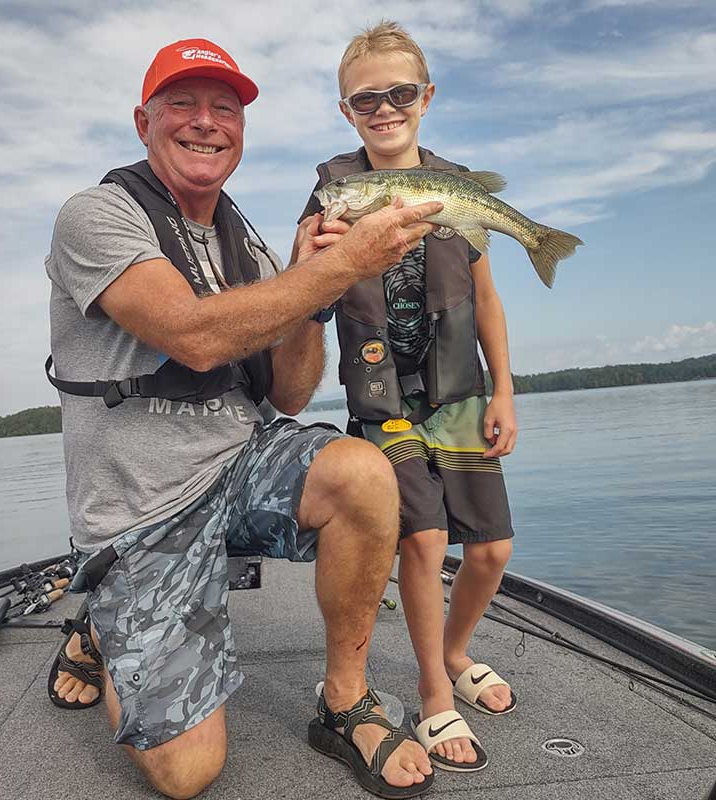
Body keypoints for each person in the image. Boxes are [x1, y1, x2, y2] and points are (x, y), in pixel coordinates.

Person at [44, 37, 443, 799]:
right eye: (182, 105)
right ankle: (101, 618)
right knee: (189, 775)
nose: (205, 122)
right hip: (143, 511)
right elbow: (194, 337)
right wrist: (342, 266)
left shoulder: (249, 243)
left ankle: (344, 700)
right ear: (143, 122)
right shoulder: (95, 216)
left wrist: (310, 295)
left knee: (362, 470)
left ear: (241, 131)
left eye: (223, 108)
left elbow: (290, 396)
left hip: (236, 465)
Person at [299, 21, 518, 773]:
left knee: (491, 550)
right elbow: (306, 286)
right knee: (424, 541)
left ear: (425, 98)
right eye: (367, 99)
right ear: (346, 110)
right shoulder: (332, 191)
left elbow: (484, 300)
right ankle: (432, 692)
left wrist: (506, 393)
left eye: (399, 93)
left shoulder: (455, 186)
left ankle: (457, 651)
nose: (385, 108)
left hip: (461, 394)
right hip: (384, 397)